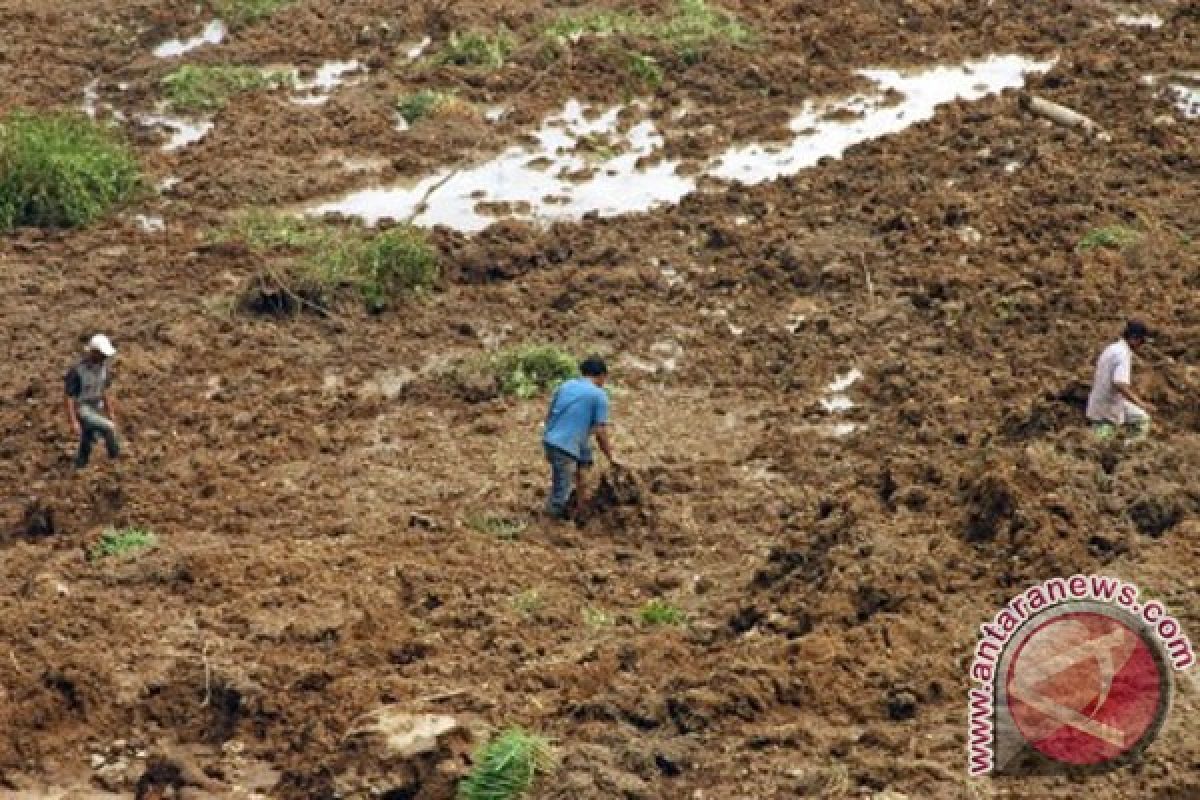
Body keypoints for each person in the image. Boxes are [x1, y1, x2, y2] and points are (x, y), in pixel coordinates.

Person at [542, 356, 618, 519]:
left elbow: (548, 417)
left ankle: (582, 505)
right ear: (602, 376)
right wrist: (611, 457)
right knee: (562, 489)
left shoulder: (565, 386)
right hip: (564, 446)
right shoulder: (599, 395)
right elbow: (600, 431)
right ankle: (552, 522)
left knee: (585, 461)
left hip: (551, 440)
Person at [1086, 320, 1152, 440]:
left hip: (1104, 401)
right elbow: (1120, 384)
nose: (1141, 345)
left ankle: (1130, 450)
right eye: (1141, 341)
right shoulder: (1122, 354)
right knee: (1102, 441)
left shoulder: (1112, 348)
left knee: (1141, 419)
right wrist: (1140, 403)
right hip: (1106, 406)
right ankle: (1128, 451)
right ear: (1133, 338)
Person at [65, 334, 121, 469]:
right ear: (94, 352)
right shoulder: (77, 370)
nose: (104, 358)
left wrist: (110, 411)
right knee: (109, 428)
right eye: (102, 354)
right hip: (83, 408)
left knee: (87, 438)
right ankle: (116, 459)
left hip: (96, 406)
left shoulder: (104, 368)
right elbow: (69, 398)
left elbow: (104, 391)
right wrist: (73, 421)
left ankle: (79, 465)